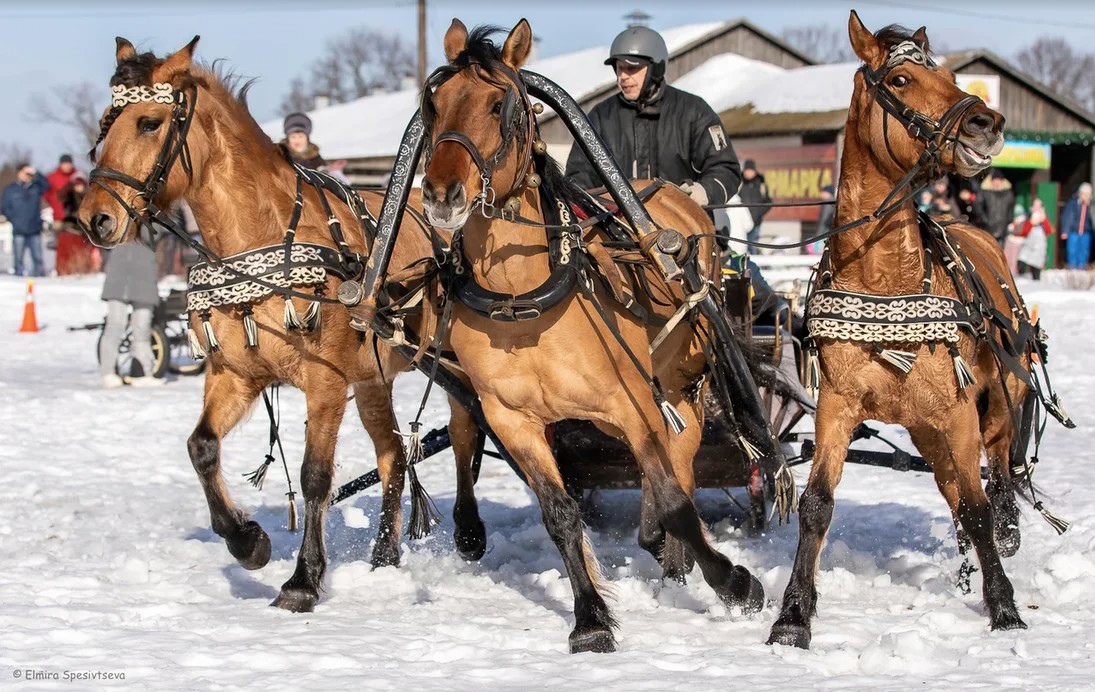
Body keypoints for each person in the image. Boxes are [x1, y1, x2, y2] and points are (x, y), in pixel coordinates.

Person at [565, 25, 742, 223]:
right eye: (619, 68)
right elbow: (578, 177)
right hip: (618, 229)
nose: (623, 76)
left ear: (656, 68)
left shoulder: (694, 111)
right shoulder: (600, 117)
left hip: (683, 225)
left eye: (631, 68)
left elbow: (726, 169)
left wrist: (703, 192)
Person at [99, 223, 162, 388]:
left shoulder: (153, 217)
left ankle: (143, 373)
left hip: (145, 277)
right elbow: (106, 232)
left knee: (142, 328)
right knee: (115, 326)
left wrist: (142, 218)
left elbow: (153, 234)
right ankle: (108, 373)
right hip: (118, 276)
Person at [1, 163, 49, 277]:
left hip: (34, 229)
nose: (26, 175)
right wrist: (14, 219)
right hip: (18, 230)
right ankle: (18, 277)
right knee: (18, 258)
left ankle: (39, 277)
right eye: (24, 173)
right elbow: (4, 207)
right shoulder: (10, 189)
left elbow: (47, 185)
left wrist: (35, 172)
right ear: (18, 173)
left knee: (37, 257)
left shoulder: (36, 187)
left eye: (28, 174)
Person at [57, 172, 100, 275]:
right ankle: (65, 272)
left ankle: (83, 270)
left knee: (83, 254)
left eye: (80, 184)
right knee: (67, 255)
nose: (78, 187)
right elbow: (60, 196)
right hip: (70, 229)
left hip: (83, 231)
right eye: (76, 184)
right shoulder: (69, 195)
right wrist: (69, 184)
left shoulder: (89, 197)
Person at [975, 169, 1014, 248]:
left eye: (998, 180)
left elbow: (1011, 209)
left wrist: (1008, 221)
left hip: (1003, 228)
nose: (997, 182)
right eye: (995, 180)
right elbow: (977, 206)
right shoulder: (985, 193)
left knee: (1000, 250)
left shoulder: (1008, 194)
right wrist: (985, 219)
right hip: (988, 227)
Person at [1016, 198, 1053, 281]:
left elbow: (1049, 230)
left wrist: (1043, 220)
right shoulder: (1028, 217)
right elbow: (1024, 231)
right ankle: (1020, 278)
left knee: (1036, 265)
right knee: (1021, 260)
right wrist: (1031, 223)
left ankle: (1036, 281)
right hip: (1028, 244)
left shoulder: (1044, 218)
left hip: (1039, 247)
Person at [1060, 182, 1093, 269]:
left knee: (1084, 250)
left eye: (1087, 194)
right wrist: (1065, 231)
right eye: (1083, 194)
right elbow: (1067, 218)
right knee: (1072, 249)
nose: (1085, 196)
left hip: (1086, 232)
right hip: (1074, 231)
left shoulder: (1091, 206)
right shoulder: (1073, 204)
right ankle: (1072, 266)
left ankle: (1082, 266)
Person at [739, 159, 772, 245]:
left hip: (756, 223)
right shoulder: (739, 182)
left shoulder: (761, 183)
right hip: (741, 224)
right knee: (741, 246)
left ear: (754, 171)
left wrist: (759, 213)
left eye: (750, 170)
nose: (748, 173)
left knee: (752, 246)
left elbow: (768, 202)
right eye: (746, 170)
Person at [810, 184, 835, 255]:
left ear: (828, 193)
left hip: (826, 232)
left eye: (823, 192)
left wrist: (818, 235)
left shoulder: (828, 203)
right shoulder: (833, 202)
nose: (821, 194)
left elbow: (824, 220)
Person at [1003, 203, 1027, 277]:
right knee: (1007, 256)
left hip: (1017, 242)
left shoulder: (1022, 221)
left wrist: (1011, 230)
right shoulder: (1014, 220)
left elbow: (1019, 231)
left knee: (1014, 258)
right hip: (1010, 240)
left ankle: (1013, 272)